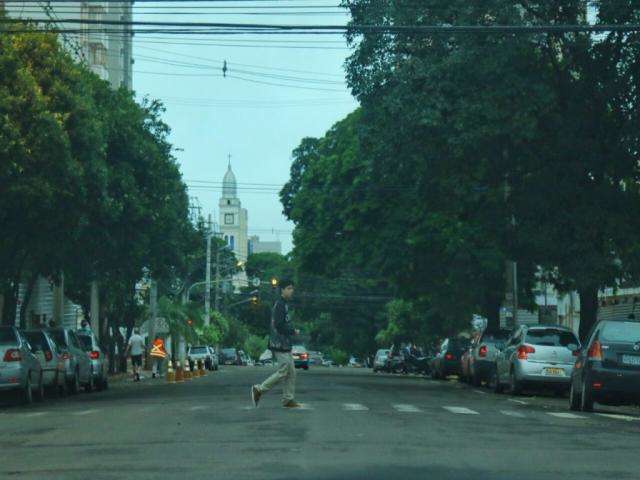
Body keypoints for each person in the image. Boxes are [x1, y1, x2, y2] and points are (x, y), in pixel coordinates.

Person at [251, 278, 300, 408]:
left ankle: (288, 399)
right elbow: (278, 325)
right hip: (279, 343)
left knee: (292, 372)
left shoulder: (284, 304)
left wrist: (291, 331)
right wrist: (292, 330)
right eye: (289, 288)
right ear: (282, 290)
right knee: (284, 370)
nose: (291, 291)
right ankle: (259, 389)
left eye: (292, 288)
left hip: (285, 343)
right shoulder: (279, 304)